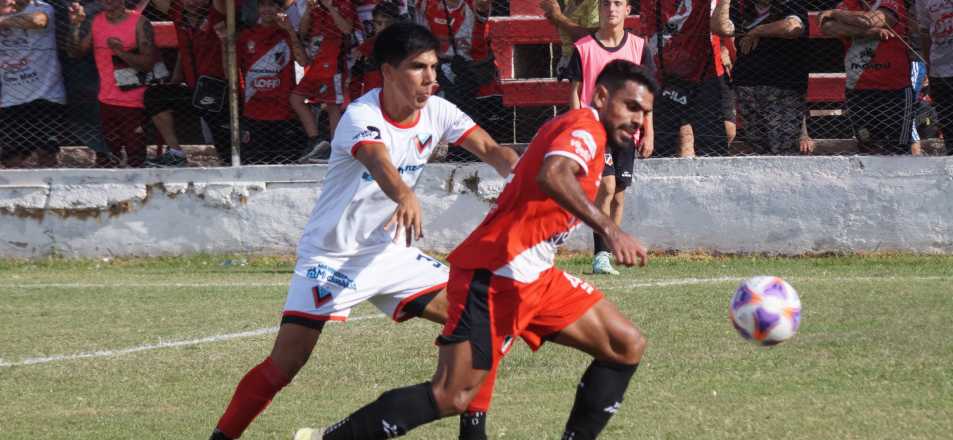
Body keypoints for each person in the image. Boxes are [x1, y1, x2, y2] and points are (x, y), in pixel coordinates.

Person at [292, 58, 651, 440]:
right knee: (450, 395)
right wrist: (611, 230)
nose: (638, 120)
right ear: (600, 96)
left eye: (644, 112)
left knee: (624, 344)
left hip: (536, 275)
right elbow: (554, 174)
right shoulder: (585, 125)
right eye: (631, 107)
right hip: (496, 274)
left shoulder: (590, 133)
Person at [207, 22, 519, 440]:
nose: (431, 79)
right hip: (331, 255)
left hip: (389, 254)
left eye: (433, 66)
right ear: (388, 72)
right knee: (285, 364)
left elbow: (491, 149)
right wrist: (405, 195)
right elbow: (378, 161)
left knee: (486, 319)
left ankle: (472, 432)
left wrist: (521, 173)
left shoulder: (439, 111)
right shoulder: (360, 116)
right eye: (417, 68)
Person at [563, 0, 654, 275]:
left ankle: (612, 248)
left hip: (627, 132)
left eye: (617, 3)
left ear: (628, 10)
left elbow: (646, 94)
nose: (610, 9)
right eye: (605, 4)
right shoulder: (583, 48)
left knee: (619, 196)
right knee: (607, 187)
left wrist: (648, 130)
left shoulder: (639, 47)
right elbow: (575, 93)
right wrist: (578, 126)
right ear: (598, 10)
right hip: (595, 130)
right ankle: (600, 254)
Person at [712, 0, 810, 155]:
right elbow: (720, 28)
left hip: (782, 89)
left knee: (783, 148)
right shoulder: (743, 9)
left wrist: (757, 31)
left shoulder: (789, 5)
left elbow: (792, 27)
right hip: (748, 87)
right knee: (759, 148)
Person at [67, 0, 158, 167]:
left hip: (134, 101)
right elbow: (76, 53)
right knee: (108, 159)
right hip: (105, 100)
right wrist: (75, 26)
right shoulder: (97, 21)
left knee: (135, 158)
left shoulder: (139, 22)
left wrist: (120, 52)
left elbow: (148, 63)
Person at [819, 0, 915, 154]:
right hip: (859, 89)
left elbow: (871, 20)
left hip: (894, 90)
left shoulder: (892, 2)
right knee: (867, 146)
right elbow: (827, 27)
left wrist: (835, 14)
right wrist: (869, 33)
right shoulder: (847, 4)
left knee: (898, 149)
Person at [141, 0, 230, 166]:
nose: (191, 2)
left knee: (227, 154)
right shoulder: (179, 14)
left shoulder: (216, 14)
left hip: (219, 91)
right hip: (193, 89)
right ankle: (176, 153)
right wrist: (176, 78)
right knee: (155, 96)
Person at [642, 0, 729, 157]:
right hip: (663, 74)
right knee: (661, 146)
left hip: (705, 72)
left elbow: (722, 25)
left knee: (713, 143)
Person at [238, 0, 309, 164]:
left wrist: (290, 30)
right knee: (255, 164)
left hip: (284, 112)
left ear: (280, 9)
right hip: (254, 112)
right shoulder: (246, 36)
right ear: (257, 8)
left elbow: (303, 61)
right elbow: (232, 70)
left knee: (284, 163)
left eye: (271, 5)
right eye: (263, 5)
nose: (267, 9)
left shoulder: (287, 34)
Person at [0, 0, 65, 167]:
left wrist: (3, 20)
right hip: (10, 96)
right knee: (10, 158)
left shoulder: (41, 7)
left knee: (46, 153)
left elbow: (38, 21)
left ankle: (51, 188)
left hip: (44, 93)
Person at [291, 0, 354, 156]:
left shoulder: (344, 4)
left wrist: (331, 7)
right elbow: (303, 32)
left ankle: (335, 149)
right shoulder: (314, 7)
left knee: (332, 106)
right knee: (296, 98)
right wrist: (307, 11)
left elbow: (346, 29)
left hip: (333, 64)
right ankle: (316, 140)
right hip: (315, 66)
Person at [540, 0, 600, 80]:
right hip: (568, 61)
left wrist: (559, 18)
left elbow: (591, 39)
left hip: (585, 65)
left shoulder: (596, 2)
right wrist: (554, 16)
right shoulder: (569, 2)